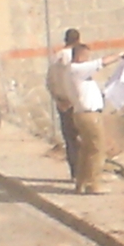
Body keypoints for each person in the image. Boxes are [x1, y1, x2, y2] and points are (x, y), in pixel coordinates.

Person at [66, 42, 124, 194]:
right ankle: (93, 184)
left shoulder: (75, 71)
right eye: (87, 57)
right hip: (89, 115)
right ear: (80, 56)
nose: (88, 60)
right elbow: (102, 62)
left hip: (84, 114)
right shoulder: (77, 69)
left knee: (87, 150)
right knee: (97, 149)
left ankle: (81, 182)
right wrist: (119, 55)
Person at [46, 28, 81, 179]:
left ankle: (75, 172)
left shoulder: (55, 57)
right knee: (82, 139)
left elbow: (49, 82)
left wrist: (58, 99)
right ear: (78, 40)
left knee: (70, 140)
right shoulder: (75, 57)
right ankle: (84, 174)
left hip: (62, 103)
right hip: (76, 104)